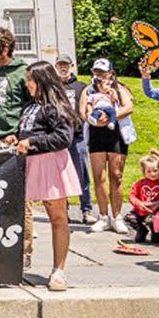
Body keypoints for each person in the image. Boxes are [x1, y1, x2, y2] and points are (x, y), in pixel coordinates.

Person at [4, 61, 79, 292]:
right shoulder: (30, 106)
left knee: (57, 216)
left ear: (42, 81)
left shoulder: (55, 106)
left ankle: (59, 270)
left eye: (30, 80)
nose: (27, 85)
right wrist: (16, 138)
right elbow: (27, 130)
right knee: (19, 213)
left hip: (50, 163)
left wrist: (33, 142)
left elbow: (63, 137)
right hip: (30, 163)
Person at [0, 26, 33, 264]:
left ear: (5, 48)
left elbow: (34, 108)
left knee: (20, 202)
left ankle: (23, 253)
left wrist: (21, 135)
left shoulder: (23, 73)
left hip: (15, 144)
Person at [82, 59, 134, 235]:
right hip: (97, 133)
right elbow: (83, 111)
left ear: (111, 72)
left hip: (116, 132)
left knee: (116, 175)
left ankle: (117, 215)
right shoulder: (88, 91)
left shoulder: (119, 88)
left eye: (103, 72)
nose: (100, 75)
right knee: (98, 175)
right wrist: (95, 119)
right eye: (96, 72)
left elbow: (128, 106)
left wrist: (110, 117)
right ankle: (103, 216)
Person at [55, 54, 95, 225]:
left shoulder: (81, 87)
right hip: (59, 136)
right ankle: (63, 210)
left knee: (82, 173)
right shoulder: (54, 87)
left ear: (71, 66)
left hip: (77, 135)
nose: (63, 68)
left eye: (65, 65)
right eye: (60, 65)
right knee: (60, 176)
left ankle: (86, 209)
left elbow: (88, 107)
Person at [124, 150, 159, 243]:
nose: (152, 174)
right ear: (144, 172)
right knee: (129, 218)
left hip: (155, 214)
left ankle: (155, 230)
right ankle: (141, 229)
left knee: (156, 240)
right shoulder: (138, 184)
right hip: (140, 211)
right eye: (149, 171)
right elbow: (132, 196)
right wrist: (140, 204)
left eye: (155, 171)